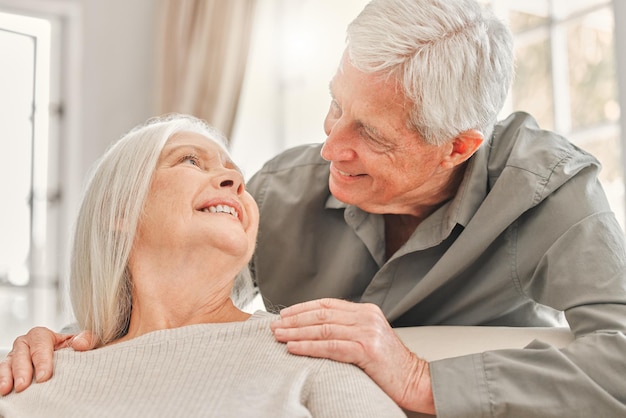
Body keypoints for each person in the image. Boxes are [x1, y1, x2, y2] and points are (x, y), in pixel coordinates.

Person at [2, 0, 626, 415]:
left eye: (371, 135)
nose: (331, 146)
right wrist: (67, 341)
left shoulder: (546, 187)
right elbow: (173, 291)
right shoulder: (281, 190)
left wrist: (416, 377)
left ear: (457, 147)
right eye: (335, 106)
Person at [0, 114, 405, 418]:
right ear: (119, 208)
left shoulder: (310, 351)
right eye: (191, 161)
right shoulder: (35, 373)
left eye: (235, 174)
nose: (232, 180)